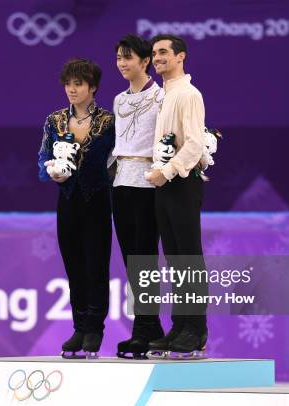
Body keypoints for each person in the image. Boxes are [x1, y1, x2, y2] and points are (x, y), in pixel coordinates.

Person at [38, 58, 115, 358]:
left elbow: (118, 160)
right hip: (67, 200)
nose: (72, 89)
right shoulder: (54, 120)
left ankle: (95, 327)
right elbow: (43, 158)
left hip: (97, 199)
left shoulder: (109, 121)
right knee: (74, 266)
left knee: (96, 265)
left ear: (93, 87)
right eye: (68, 83)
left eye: (78, 83)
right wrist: (52, 172)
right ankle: (79, 326)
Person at [144, 34, 209, 359]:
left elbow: (195, 144)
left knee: (188, 258)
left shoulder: (188, 94)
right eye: (154, 53)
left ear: (181, 56)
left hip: (182, 182)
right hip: (164, 183)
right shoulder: (164, 95)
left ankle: (196, 330)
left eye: (164, 52)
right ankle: (180, 325)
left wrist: (167, 172)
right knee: (173, 258)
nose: (157, 58)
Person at [111, 34, 165, 359]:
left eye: (127, 57)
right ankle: (148, 326)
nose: (121, 63)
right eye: (118, 57)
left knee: (145, 257)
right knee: (131, 260)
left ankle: (144, 328)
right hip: (120, 184)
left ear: (145, 61)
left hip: (148, 184)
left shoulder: (161, 98)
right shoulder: (118, 100)